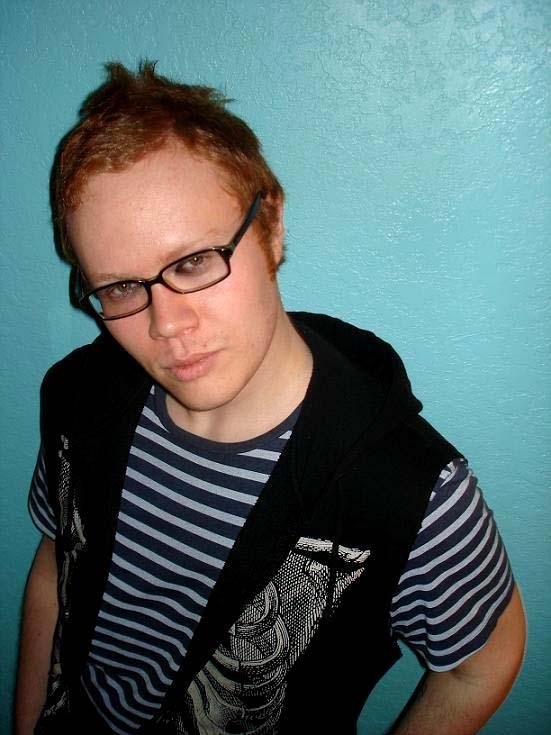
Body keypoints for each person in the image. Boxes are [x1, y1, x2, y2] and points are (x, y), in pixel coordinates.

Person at [15, 62, 525, 735]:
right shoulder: (78, 395)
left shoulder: (409, 489)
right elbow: (56, 559)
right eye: (121, 287)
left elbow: (484, 663)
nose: (167, 325)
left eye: (194, 261)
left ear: (272, 224)